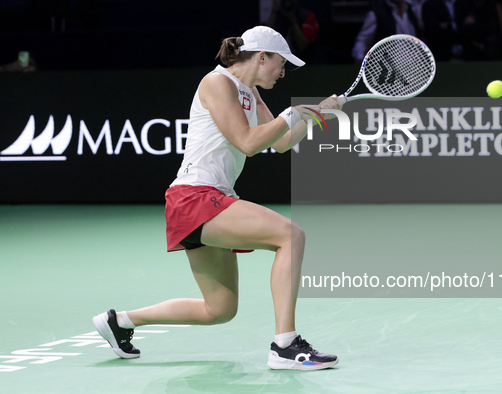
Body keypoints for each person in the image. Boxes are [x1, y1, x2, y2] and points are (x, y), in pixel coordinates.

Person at [92, 26, 341, 371]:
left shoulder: (249, 91)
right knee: (290, 235)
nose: (283, 72)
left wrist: (318, 114)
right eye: (281, 63)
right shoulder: (217, 82)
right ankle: (285, 345)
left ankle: (120, 322)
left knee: (219, 309)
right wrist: (293, 112)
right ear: (261, 56)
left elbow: (280, 142)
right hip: (195, 196)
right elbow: (248, 142)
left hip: (208, 199)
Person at [352, 0, 422, 63]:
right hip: (388, 66)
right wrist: (359, 57)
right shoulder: (376, 14)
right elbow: (363, 40)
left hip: (413, 65)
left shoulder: (412, 10)